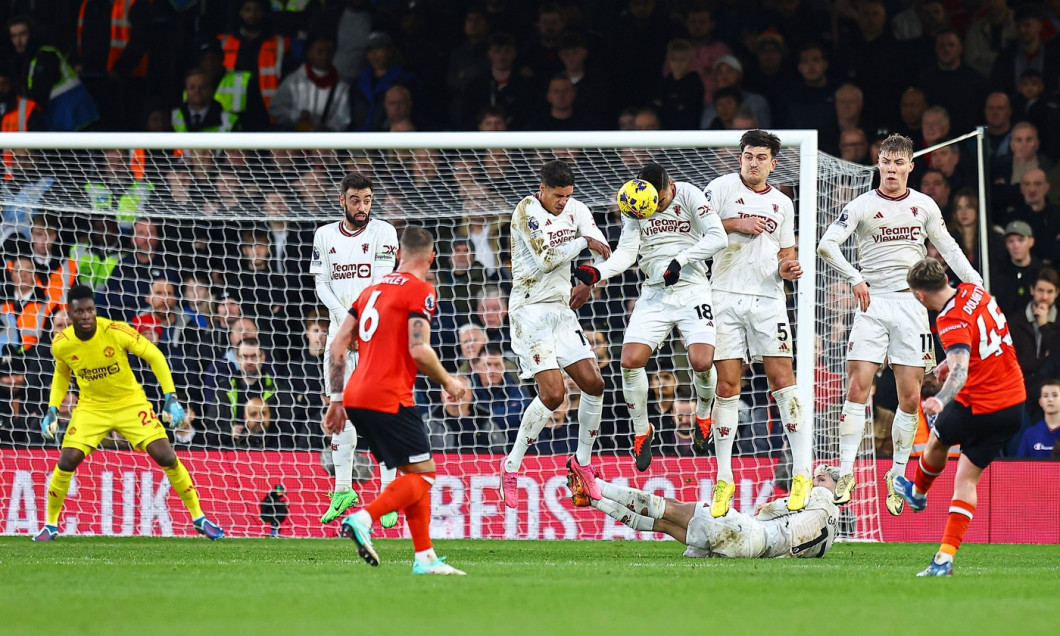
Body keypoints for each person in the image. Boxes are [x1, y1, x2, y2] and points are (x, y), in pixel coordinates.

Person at [817, 133, 983, 515]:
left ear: (911, 166)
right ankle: (845, 472)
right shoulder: (862, 205)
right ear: (879, 164)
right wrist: (854, 277)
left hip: (911, 306)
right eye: (886, 162)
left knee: (909, 397)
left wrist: (976, 284)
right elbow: (827, 245)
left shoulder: (923, 205)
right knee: (858, 388)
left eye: (898, 163)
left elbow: (950, 248)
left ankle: (896, 476)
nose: (891, 169)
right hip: (872, 301)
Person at [323, 226, 467, 576]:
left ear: (399, 254)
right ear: (431, 257)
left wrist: (336, 399)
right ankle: (363, 518)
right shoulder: (421, 290)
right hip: (389, 397)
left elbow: (337, 345)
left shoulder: (371, 289)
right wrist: (450, 381)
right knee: (426, 476)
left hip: (356, 395)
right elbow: (419, 350)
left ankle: (425, 557)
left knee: (412, 472)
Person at [32, 285, 223, 541]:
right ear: (70, 313)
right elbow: (62, 373)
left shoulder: (115, 331)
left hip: (130, 403)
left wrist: (171, 396)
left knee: (166, 456)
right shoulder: (62, 343)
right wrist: (52, 409)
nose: (86, 316)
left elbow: (155, 356)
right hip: (92, 408)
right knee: (67, 461)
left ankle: (199, 517)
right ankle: (50, 525)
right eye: (80, 312)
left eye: (90, 310)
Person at [572, 161, 727, 475]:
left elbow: (718, 237)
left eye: (661, 201)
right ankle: (642, 431)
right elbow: (628, 252)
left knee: (701, 362)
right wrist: (598, 273)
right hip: (655, 292)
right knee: (629, 361)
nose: (656, 208)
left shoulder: (690, 195)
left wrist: (680, 261)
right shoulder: (636, 203)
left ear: (669, 186)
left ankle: (704, 414)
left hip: (692, 289)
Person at [697, 129, 812, 516]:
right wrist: (735, 224)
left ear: (773, 163)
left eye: (761, 157)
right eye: (748, 155)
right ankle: (724, 478)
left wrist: (789, 267)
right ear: (740, 157)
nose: (753, 162)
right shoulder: (719, 188)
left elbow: (785, 252)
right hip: (724, 296)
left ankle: (800, 473)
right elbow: (699, 230)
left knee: (784, 380)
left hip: (767, 300)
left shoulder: (782, 202)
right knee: (727, 385)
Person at [893, 258, 1025, 576]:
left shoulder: (949, 319)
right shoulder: (974, 291)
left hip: (979, 402)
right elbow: (976, 346)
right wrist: (945, 365)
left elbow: (961, 370)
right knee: (966, 479)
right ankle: (944, 558)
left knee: (937, 441)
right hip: (1014, 404)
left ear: (920, 296)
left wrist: (940, 399)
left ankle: (918, 493)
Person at [499, 159, 611, 509]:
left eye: (568, 196)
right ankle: (511, 465)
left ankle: (582, 463)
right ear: (542, 189)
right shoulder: (526, 211)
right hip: (529, 311)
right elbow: (548, 258)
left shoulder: (577, 208)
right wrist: (582, 242)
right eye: (558, 196)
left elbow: (602, 248)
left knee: (594, 384)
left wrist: (589, 281)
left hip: (562, 311)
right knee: (553, 394)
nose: (564, 202)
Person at [309, 172, 399, 528]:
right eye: (356, 201)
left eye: (368, 200)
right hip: (339, 338)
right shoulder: (324, 235)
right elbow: (321, 282)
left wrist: (360, 322)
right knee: (338, 409)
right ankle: (343, 487)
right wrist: (342, 318)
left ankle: (389, 494)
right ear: (341, 201)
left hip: (376, 334)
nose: (363, 207)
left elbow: (379, 283)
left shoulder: (384, 232)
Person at [568, 462, 840, 560]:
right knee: (661, 525)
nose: (816, 481)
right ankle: (592, 500)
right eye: (817, 477)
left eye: (823, 478)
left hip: (747, 530)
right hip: (751, 552)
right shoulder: (829, 539)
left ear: (837, 489)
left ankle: (596, 485)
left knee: (667, 508)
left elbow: (776, 507)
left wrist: (765, 510)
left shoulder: (820, 496)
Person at [1017, 379, 1060, 457]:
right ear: (1040, 402)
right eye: (1045, 396)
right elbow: (1020, 466)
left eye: (1055, 395)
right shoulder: (1030, 433)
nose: (1050, 399)